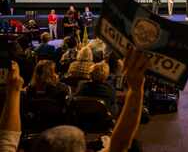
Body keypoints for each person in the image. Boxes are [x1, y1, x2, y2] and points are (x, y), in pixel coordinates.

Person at [0, 48, 151, 152]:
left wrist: (13, 92)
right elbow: (121, 144)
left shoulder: (76, 87)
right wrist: (136, 89)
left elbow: (7, 138)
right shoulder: (62, 91)